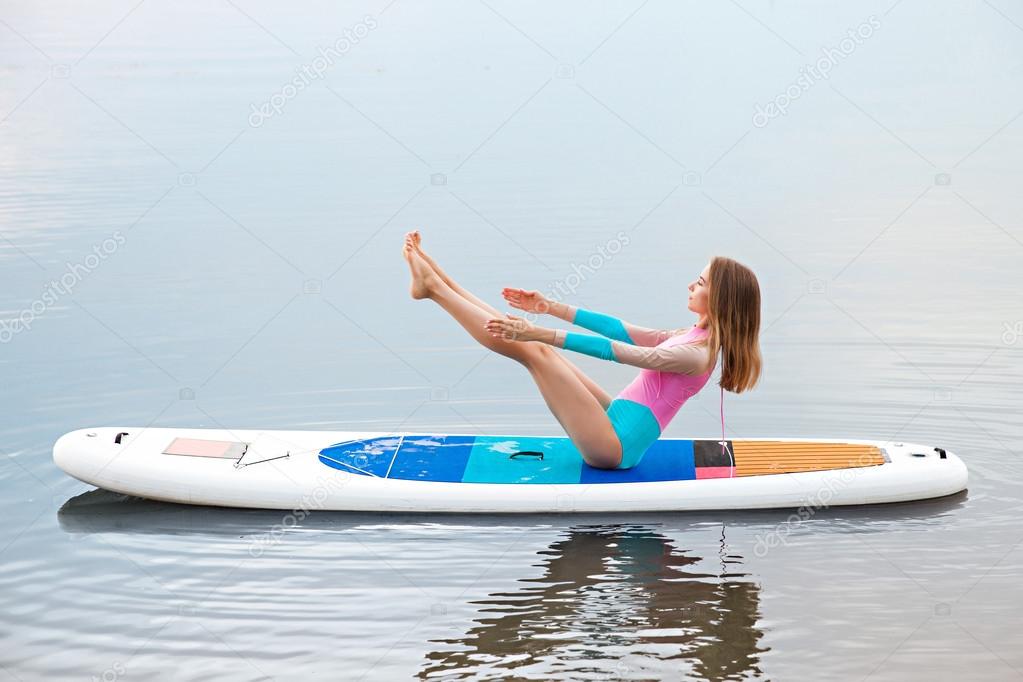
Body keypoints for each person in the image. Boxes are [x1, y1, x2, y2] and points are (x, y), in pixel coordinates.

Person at [402, 230, 762, 470]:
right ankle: (441, 280)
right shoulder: (693, 335)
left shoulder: (696, 355)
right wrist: (549, 307)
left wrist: (539, 333)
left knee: (536, 352)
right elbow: (619, 330)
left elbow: (620, 352)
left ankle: (433, 289)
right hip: (617, 422)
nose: (690, 285)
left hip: (612, 447)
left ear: (719, 299)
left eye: (699, 283)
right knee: (541, 350)